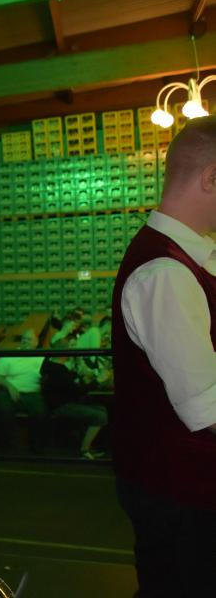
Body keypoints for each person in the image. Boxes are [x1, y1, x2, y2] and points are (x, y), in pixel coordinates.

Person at [112, 115, 216, 597]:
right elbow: (207, 409)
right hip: (182, 495)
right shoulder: (165, 272)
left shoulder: (192, 257)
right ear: (211, 178)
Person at [39, 334, 108, 459]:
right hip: (61, 407)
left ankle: (88, 444)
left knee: (102, 409)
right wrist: (98, 380)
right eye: (71, 348)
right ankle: (84, 451)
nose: (74, 351)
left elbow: (70, 384)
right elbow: (78, 391)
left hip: (63, 403)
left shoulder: (52, 365)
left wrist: (78, 373)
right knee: (100, 415)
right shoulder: (58, 370)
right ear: (64, 352)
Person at [0, 329, 45, 451]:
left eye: (29, 339)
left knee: (40, 413)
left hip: (33, 394)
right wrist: (9, 386)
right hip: (9, 392)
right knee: (4, 411)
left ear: (36, 343)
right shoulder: (10, 356)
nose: (25, 341)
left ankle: (36, 447)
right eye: (24, 339)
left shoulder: (42, 357)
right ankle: (6, 446)